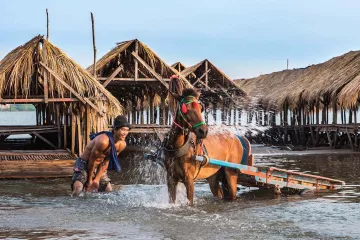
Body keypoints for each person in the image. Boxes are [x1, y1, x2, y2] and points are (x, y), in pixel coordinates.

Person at [71, 115, 131, 196]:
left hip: (99, 166)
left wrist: (96, 180)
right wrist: (89, 181)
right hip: (84, 164)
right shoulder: (103, 141)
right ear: (115, 129)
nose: (125, 133)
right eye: (122, 130)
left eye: (127, 130)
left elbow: (106, 161)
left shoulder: (122, 145)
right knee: (78, 188)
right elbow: (92, 160)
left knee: (109, 191)